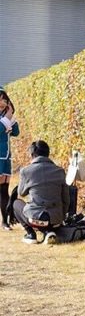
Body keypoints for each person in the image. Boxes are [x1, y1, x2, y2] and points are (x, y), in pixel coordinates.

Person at [13, 140, 70, 245]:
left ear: (32, 155)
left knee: (16, 203)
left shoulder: (26, 171)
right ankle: (49, 232)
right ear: (48, 154)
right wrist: (62, 217)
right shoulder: (60, 171)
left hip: (35, 219)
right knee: (47, 215)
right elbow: (66, 199)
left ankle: (31, 234)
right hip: (55, 220)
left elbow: (21, 193)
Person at [0, 89, 19, 230]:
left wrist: (10, 116)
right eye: (0, 99)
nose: (2, 102)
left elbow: (16, 132)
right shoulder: (3, 118)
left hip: (6, 156)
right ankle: (5, 222)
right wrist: (6, 118)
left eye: (4, 100)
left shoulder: (5, 116)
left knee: (5, 189)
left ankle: (5, 221)